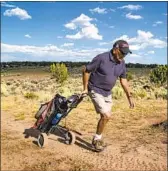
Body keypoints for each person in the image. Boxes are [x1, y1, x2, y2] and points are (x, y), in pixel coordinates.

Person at [82, 40, 135, 152]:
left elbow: (124, 81)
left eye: (126, 53)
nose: (124, 55)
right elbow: (86, 70)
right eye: (123, 53)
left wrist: (129, 97)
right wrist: (85, 88)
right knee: (106, 116)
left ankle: (98, 138)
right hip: (95, 89)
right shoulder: (101, 58)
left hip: (107, 92)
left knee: (105, 117)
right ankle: (96, 140)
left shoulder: (122, 63)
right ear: (115, 50)